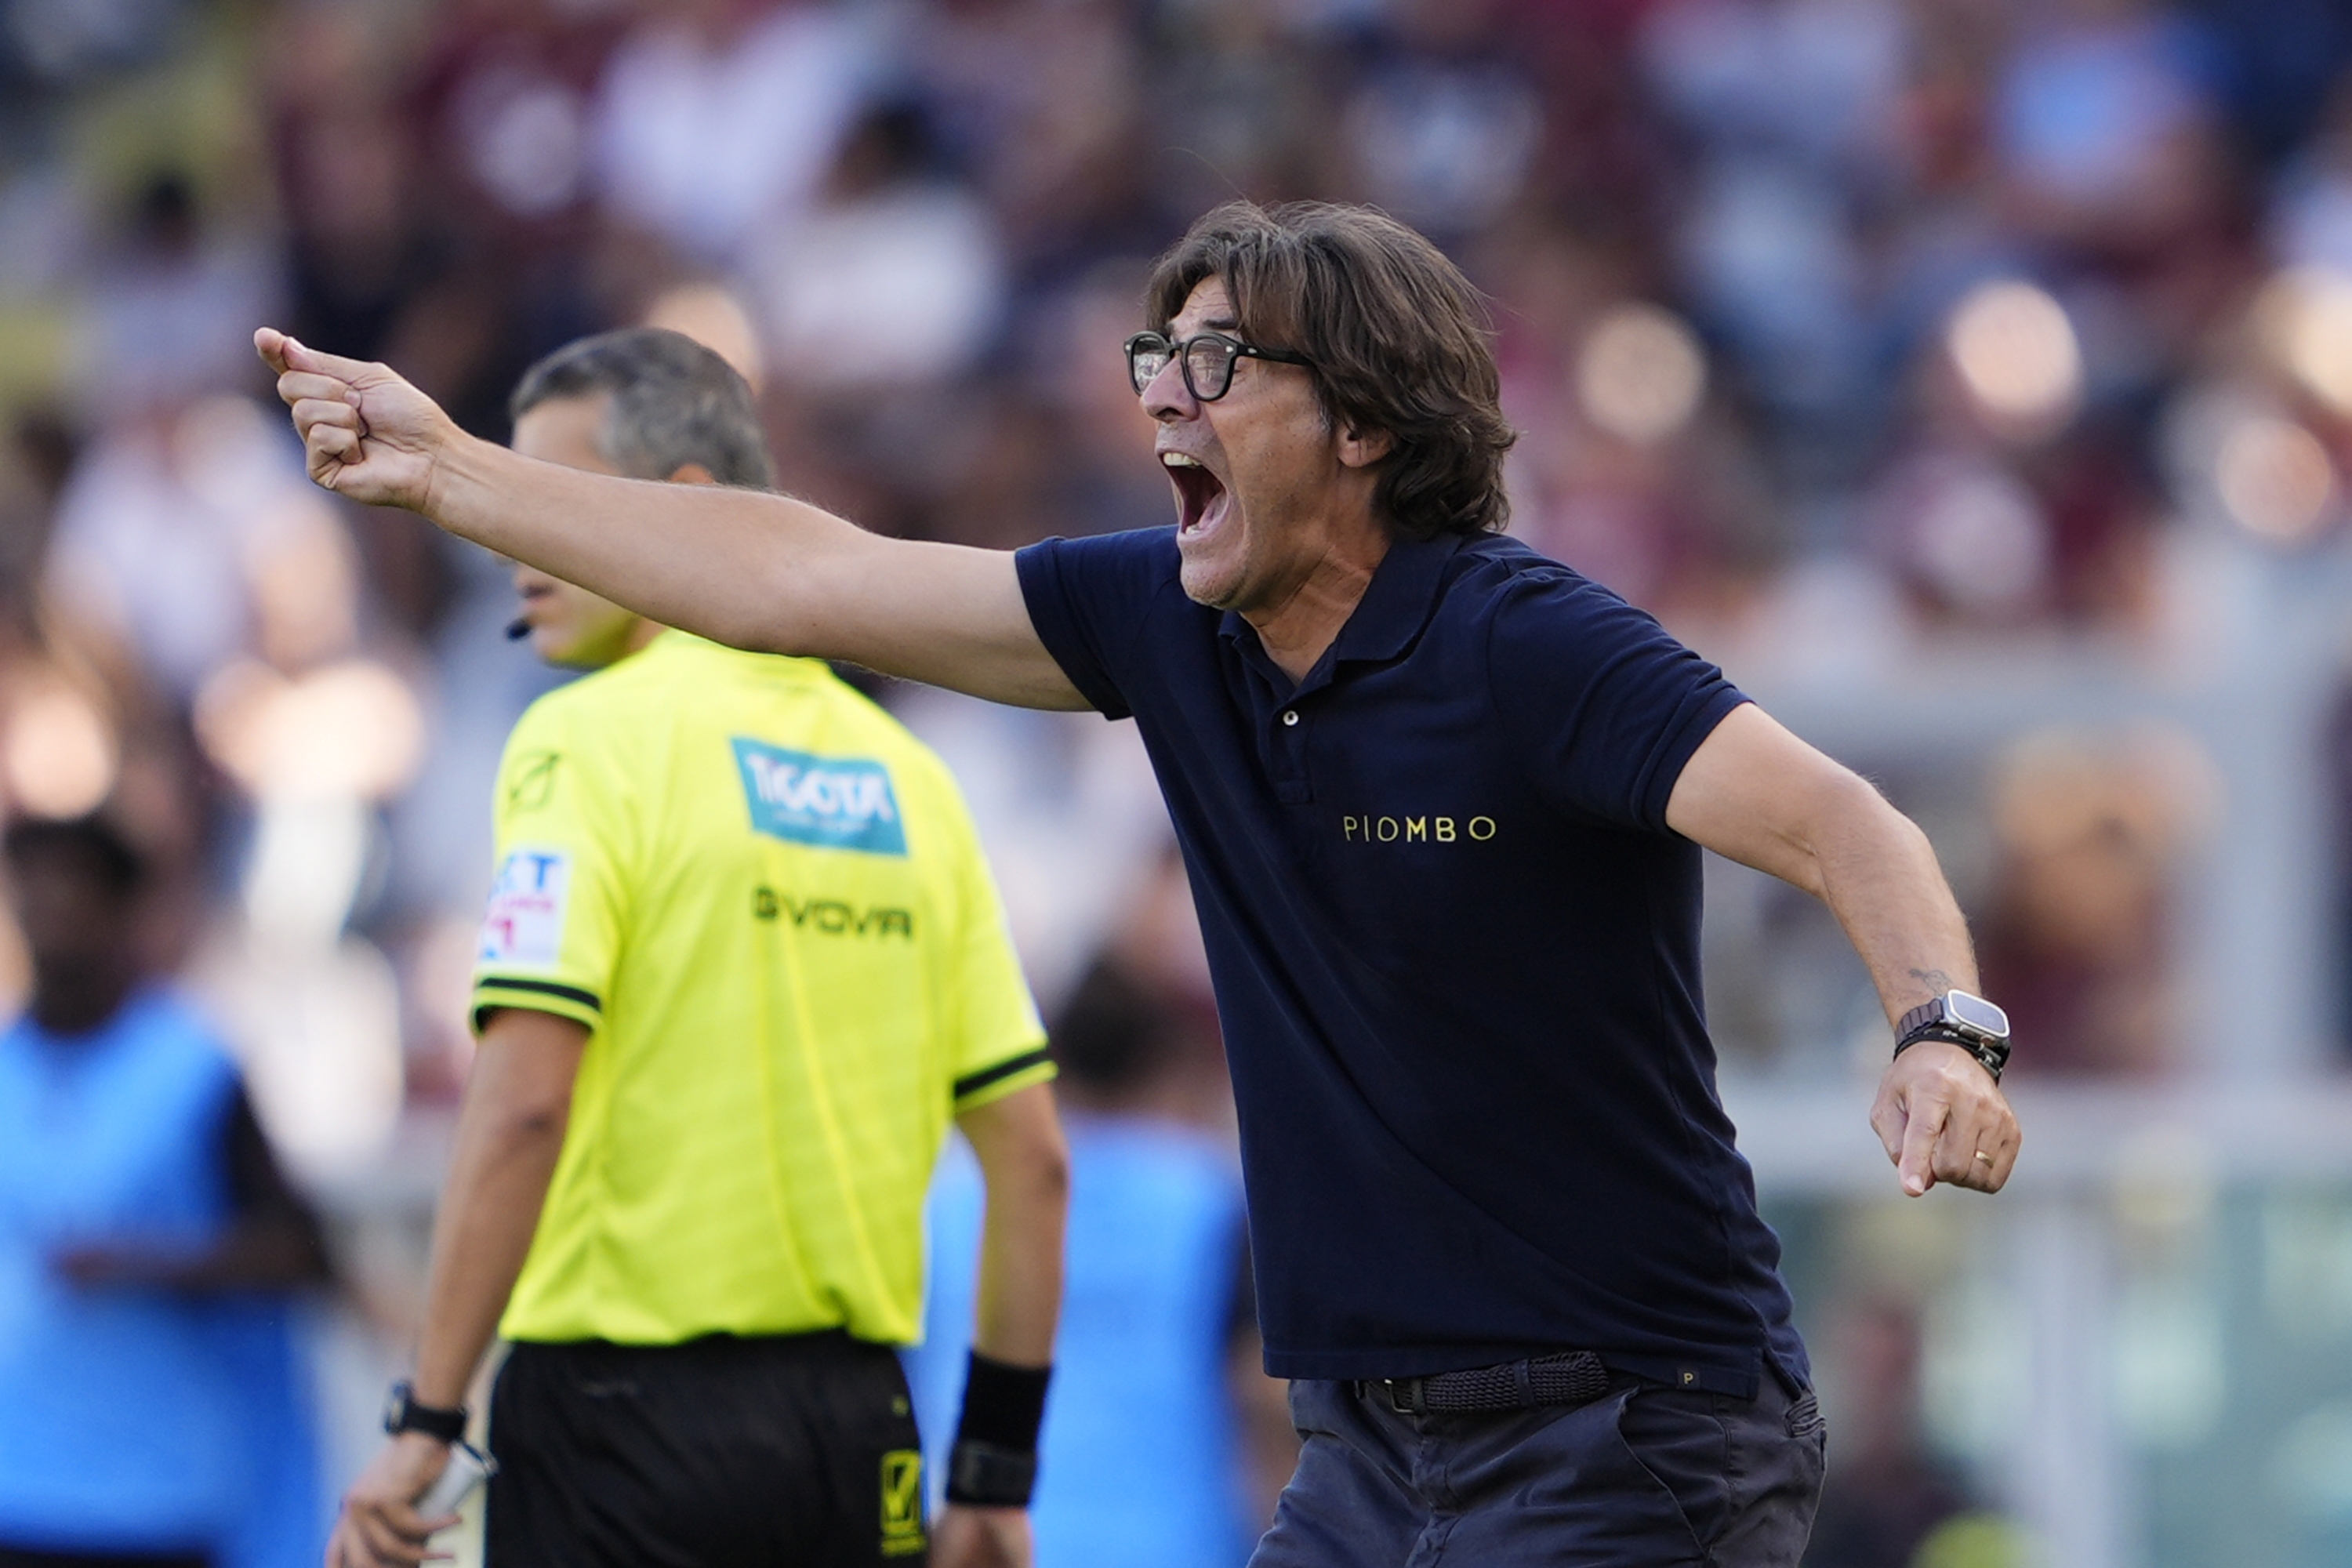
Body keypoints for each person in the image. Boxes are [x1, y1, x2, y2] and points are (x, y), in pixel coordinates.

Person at [261, 198, 2024, 1566]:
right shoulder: (1162, 619)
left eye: (1216, 367)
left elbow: (1848, 823)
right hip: (1366, 1451)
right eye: (1153, 362)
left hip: (1632, 1428)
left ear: (1363, 424)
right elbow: (808, 577)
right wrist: (459, 479)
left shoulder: (1530, 644)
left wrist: (1941, 1031)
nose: (1161, 401)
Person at [319, 328, 1070, 1568]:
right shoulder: (911, 777)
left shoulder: (589, 740)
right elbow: (1032, 1164)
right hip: (858, 1435)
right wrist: (992, 1472)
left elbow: (518, 1111)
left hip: (620, 1430)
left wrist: (428, 1416)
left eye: (551, 499)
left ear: (684, 512)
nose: (514, 546)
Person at [0, 814, 332, 1568]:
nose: (49, 912)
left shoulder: (191, 1068)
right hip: (17, 1480)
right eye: (32, 890)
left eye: (72, 890)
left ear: (121, 909)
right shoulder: (7, 1063)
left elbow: (300, 1253)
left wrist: (145, 1266)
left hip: (153, 1489)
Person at [906, 956, 1259, 1568]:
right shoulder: (1212, 1200)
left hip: (989, 1539)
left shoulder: (948, 1206)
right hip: (1179, 1546)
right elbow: (1261, 1393)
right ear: (1159, 1067)